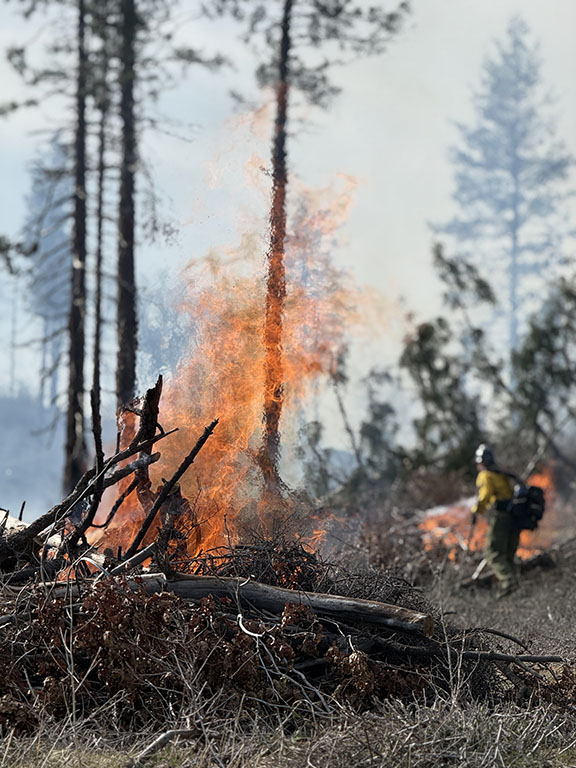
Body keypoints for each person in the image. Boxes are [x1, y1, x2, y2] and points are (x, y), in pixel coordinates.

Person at [471, 443, 519, 598]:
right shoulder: (501, 474)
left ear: (481, 462)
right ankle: (514, 588)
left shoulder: (486, 475)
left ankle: (509, 582)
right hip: (514, 517)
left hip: (501, 517)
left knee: (492, 552)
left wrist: (476, 511)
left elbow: (485, 496)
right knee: (507, 553)